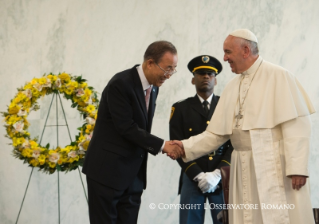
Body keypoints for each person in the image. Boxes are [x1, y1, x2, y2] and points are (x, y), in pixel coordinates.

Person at [170, 29, 316, 224]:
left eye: (228, 52)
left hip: (274, 164)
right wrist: (183, 147)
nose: (225, 57)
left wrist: (297, 167)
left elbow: (297, 126)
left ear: (246, 50)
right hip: (241, 164)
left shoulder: (279, 76)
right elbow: (215, 134)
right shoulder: (232, 86)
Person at [82, 40, 184, 224]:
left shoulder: (153, 88)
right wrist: (163, 145)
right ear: (150, 63)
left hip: (133, 176)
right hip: (107, 173)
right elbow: (126, 127)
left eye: (173, 70)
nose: (169, 75)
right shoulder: (120, 84)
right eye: (167, 69)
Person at [169, 55, 233, 224]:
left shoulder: (228, 107)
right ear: (192, 80)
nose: (206, 77)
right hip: (192, 178)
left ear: (216, 80)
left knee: (225, 221)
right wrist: (197, 175)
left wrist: (219, 173)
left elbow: (234, 144)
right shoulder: (180, 108)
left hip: (221, 179)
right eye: (201, 73)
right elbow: (177, 145)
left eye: (210, 74)